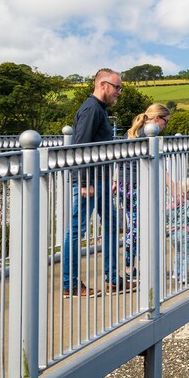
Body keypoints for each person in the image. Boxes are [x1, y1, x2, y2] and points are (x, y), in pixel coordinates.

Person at [62, 68, 132, 296]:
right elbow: (79, 146)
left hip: (99, 180)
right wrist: (83, 182)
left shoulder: (98, 110)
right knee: (76, 231)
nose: (119, 92)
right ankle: (69, 284)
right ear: (103, 85)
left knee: (112, 227)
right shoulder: (91, 109)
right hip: (90, 182)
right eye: (117, 87)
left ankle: (113, 280)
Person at [115, 103, 171, 278]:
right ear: (156, 118)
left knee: (136, 226)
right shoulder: (148, 135)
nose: (165, 126)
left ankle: (134, 265)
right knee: (138, 228)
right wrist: (173, 186)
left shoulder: (131, 132)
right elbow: (159, 165)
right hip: (136, 186)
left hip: (126, 185)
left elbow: (121, 159)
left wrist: (116, 179)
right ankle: (129, 267)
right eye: (165, 122)